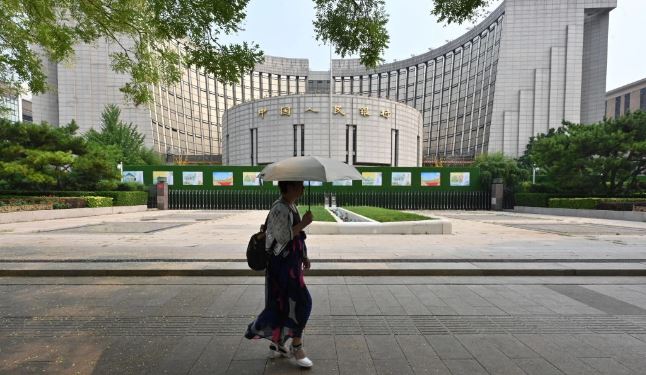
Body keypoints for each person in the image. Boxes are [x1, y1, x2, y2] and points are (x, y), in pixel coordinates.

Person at [244, 180, 314, 368]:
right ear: (289, 187)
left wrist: (304, 255)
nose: (303, 188)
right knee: (303, 303)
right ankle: (296, 345)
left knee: (283, 304)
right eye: (299, 185)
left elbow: (297, 237)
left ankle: (278, 343)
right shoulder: (279, 208)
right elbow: (283, 237)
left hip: (291, 265)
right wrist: (304, 224)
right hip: (282, 267)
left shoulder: (291, 206)